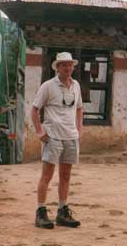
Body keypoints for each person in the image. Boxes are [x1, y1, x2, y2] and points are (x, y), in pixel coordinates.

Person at [31, 52, 83, 229]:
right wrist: (39, 131)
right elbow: (34, 110)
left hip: (70, 136)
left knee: (66, 175)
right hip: (53, 135)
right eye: (63, 65)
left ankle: (62, 210)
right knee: (47, 175)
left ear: (73, 67)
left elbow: (79, 109)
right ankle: (41, 211)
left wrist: (79, 129)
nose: (67, 68)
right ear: (57, 67)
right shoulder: (48, 86)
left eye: (70, 65)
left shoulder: (76, 85)